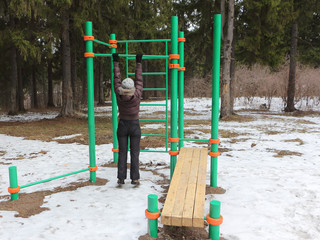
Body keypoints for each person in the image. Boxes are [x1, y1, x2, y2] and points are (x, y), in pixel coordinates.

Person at [112, 53, 143, 185]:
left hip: (123, 124)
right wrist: (138, 63)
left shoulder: (118, 93)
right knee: (135, 153)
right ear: (132, 88)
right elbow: (139, 80)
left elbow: (116, 79)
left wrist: (116, 63)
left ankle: (121, 178)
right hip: (135, 125)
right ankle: (135, 178)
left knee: (122, 152)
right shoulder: (137, 93)